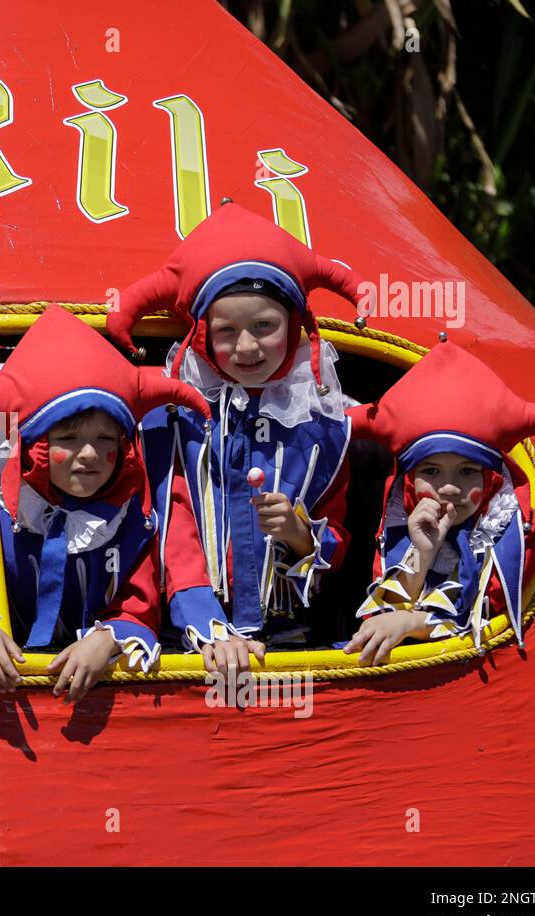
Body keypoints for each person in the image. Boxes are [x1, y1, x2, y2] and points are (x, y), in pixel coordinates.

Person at [108, 200, 367, 679]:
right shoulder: (172, 419)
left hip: (289, 641)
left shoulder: (324, 425)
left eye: (264, 326)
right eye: (227, 330)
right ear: (202, 335)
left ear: (293, 323)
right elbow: (171, 526)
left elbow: (337, 536)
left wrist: (298, 534)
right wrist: (209, 627)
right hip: (190, 639)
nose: (246, 347)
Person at [0, 304, 209, 703]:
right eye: (68, 439)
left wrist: (106, 641)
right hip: (15, 694)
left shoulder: (133, 519)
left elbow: (137, 607)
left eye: (105, 439)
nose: (88, 454)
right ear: (35, 446)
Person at [344, 343, 535, 664]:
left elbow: (481, 615)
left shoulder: (516, 532)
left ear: (491, 478)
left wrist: (411, 623)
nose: (449, 487)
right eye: (431, 471)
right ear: (409, 480)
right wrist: (422, 551)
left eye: (468, 471)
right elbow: (385, 612)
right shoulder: (401, 520)